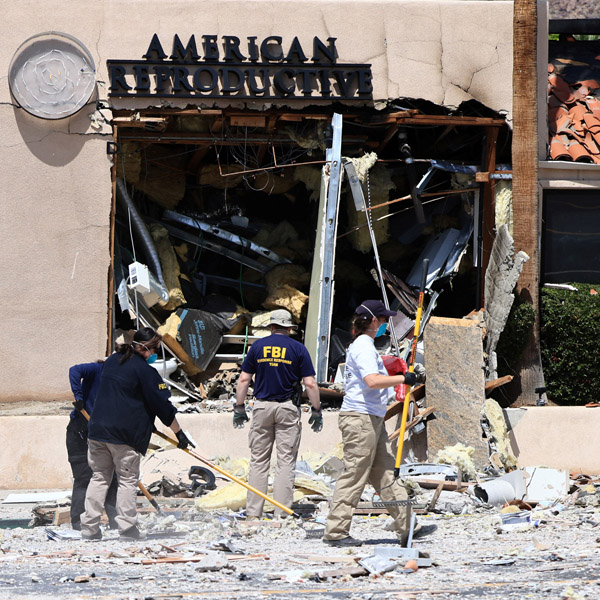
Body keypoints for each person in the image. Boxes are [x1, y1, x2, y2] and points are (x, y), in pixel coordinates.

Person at [323, 299, 433, 547]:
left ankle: (407, 527)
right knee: (354, 474)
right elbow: (372, 381)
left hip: (372, 418)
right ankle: (336, 532)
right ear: (373, 320)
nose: (385, 323)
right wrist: (403, 378)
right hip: (359, 419)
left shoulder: (366, 346)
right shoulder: (363, 345)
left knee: (385, 473)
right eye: (383, 319)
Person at [80, 327, 194, 540]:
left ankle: (89, 528)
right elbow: (163, 406)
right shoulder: (146, 372)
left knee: (99, 478)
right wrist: (179, 434)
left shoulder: (113, 361)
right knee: (127, 480)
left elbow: (124, 394)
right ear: (143, 348)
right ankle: (127, 528)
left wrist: (145, 417)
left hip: (97, 430)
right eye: (154, 349)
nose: (155, 353)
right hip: (124, 435)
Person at [233, 309, 322, 518]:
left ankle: (253, 513)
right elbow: (310, 383)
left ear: (271, 327)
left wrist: (239, 407)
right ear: (289, 328)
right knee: (285, 462)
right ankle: (281, 514)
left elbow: (244, 379)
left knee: (258, 461)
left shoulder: (257, 347)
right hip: (288, 409)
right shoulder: (298, 349)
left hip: (262, 408)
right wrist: (317, 410)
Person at [67, 360, 118, 530]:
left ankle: (116, 521)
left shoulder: (122, 378)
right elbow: (74, 370)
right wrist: (78, 397)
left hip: (103, 433)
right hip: (80, 432)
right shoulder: (97, 369)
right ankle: (78, 522)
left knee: (113, 477)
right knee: (84, 476)